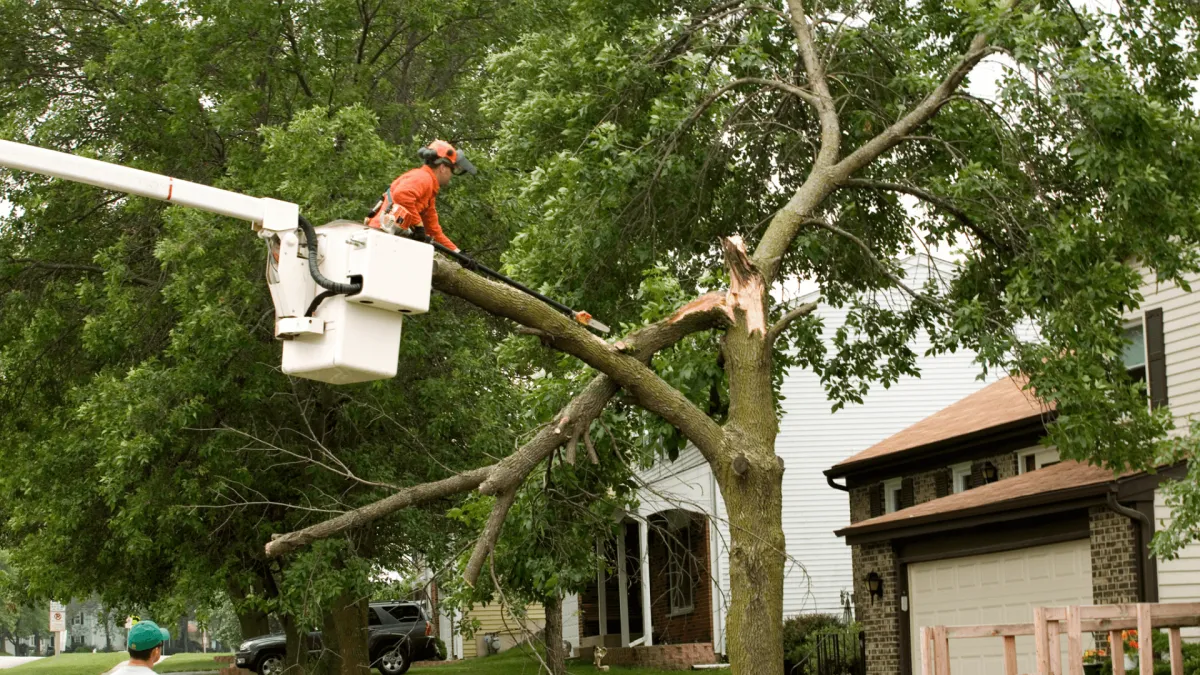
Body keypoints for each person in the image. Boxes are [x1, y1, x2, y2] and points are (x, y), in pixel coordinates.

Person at [366, 139, 477, 252]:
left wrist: (458, 253)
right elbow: (402, 195)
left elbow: (433, 230)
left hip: (386, 238)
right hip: (380, 235)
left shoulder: (429, 192)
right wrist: (418, 225)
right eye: (452, 169)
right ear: (443, 168)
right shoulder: (423, 178)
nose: (451, 175)